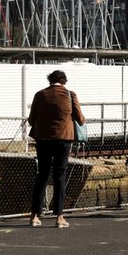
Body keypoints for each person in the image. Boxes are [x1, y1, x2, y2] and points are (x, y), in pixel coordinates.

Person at [27, 70, 85, 228]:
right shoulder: (69, 94)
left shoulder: (40, 95)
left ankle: (34, 216)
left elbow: (31, 120)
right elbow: (81, 119)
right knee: (60, 176)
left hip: (43, 139)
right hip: (63, 140)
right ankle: (59, 217)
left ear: (50, 80)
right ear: (64, 81)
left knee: (42, 176)